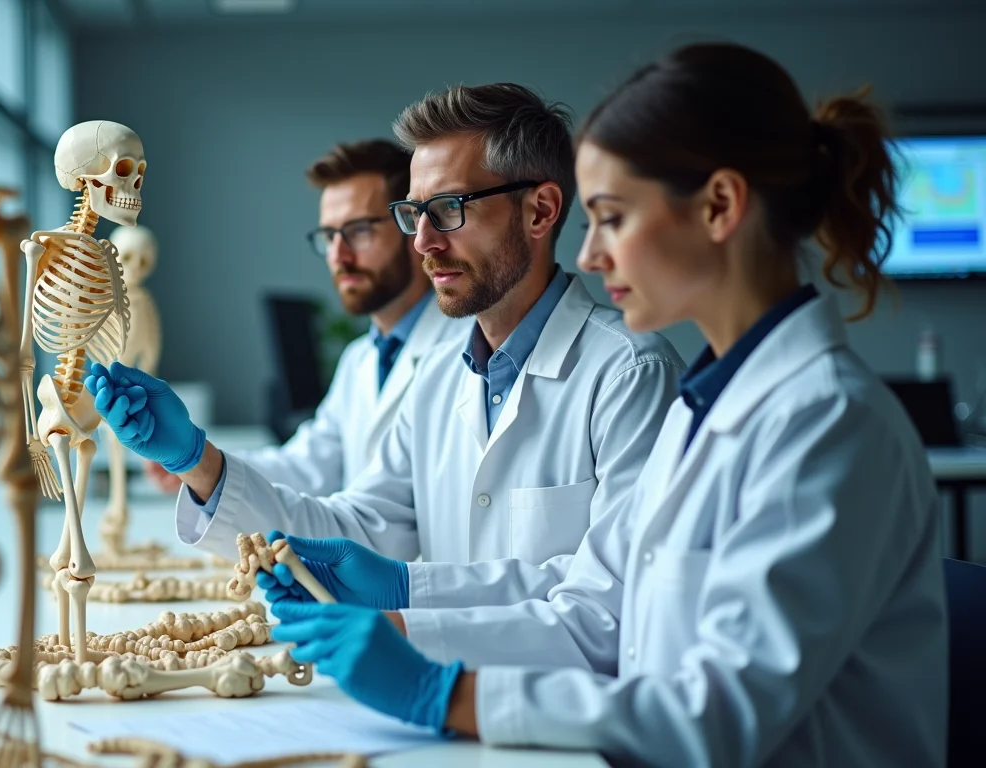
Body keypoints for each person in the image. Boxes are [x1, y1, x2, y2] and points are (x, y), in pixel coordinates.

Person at [260, 42, 948, 767]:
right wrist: (405, 606)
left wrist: (446, 694)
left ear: (718, 207)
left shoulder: (827, 425)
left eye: (612, 217)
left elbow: (718, 713)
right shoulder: (702, 410)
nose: (589, 256)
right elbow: (592, 617)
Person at [88, 83, 684, 591]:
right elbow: (359, 528)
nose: (422, 241)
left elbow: (614, 598)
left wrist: (411, 598)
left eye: (448, 208)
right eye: (413, 213)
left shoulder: (629, 374)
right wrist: (199, 463)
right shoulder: (440, 377)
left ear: (539, 211)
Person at [143, 139, 472, 497]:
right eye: (329, 236)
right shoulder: (360, 359)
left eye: (359, 230)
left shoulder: (469, 349)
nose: (338, 255)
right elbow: (308, 468)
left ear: (410, 226)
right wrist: (198, 463)